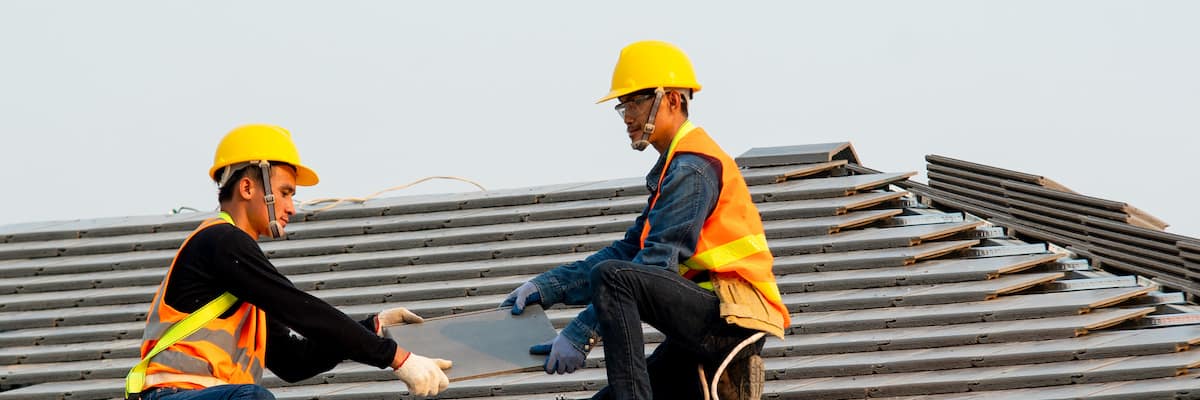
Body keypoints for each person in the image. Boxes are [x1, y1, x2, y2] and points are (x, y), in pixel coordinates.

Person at [501, 40, 790, 399]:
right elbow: (628, 252)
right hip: (701, 324)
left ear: (672, 99)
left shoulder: (692, 167)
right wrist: (548, 287)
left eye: (635, 102)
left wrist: (579, 333)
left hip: (731, 319)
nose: (627, 116)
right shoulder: (676, 164)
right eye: (623, 105)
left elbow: (653, 263)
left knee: (614, 278)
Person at [125, 124, 452, 400]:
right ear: (249, 187)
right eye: (285, 192)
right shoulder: (222, 241)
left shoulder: (239, 274)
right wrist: (397, 358)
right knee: (252, 397)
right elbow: (300, 309)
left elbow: (294, 362)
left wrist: (373, 328)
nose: (292, 207)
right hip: (170, 395)